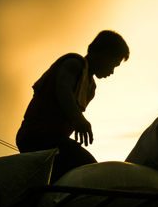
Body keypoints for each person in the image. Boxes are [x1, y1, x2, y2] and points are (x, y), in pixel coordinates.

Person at [16, 30, 129, 181]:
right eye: (113, 64)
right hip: (37, 136)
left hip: (55, 141)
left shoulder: (90, 87)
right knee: (90, 170)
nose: (112, 71)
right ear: (105, 54)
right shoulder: (74, 64)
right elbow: (62, 88)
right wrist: (79, 120)